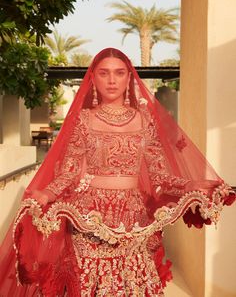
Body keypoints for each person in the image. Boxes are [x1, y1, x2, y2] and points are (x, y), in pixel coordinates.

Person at [0, 48, 235, 296]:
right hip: (88, 218)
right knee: (91, 282)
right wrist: (47, 194)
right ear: (93, 78)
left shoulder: (145, 120)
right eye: (104, 73)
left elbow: (160, 176)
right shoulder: (83, 120)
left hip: (133, 218)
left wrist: (190, 186)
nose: (112, 80)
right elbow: (68, 172)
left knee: (132, 282)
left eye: (119, 73)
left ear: (129, 77)